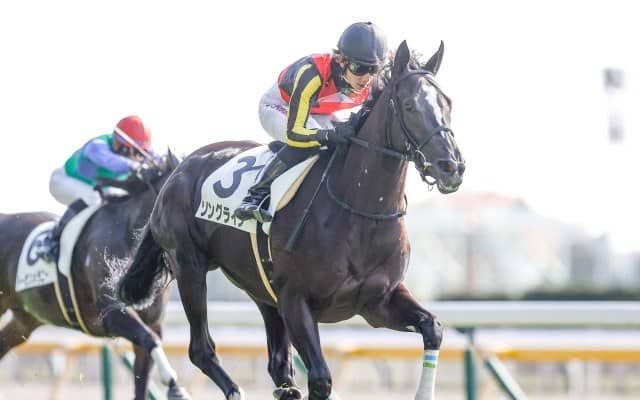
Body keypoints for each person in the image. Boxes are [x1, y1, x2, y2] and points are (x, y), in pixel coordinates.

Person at [234, 21, 388, 223]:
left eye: (373, 69)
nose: (367, 78)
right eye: (359, 68)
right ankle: (255, 195)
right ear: (341, 60)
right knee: (313, 141)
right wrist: (327, 135)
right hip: (278, 106)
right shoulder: (312, 74)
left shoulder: (372, 82)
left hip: (317, 112)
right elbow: (295, 132)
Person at [39, 115, 153, 262]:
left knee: (120, 198)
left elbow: (155, 158)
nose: (138, 158)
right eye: (135, 153)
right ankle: (52, 238)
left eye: (140, 153)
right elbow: (109, 161)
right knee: (92, 197)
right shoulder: (97, 146)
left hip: (96, 187)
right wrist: (133, 166)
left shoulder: (136, 151)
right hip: (62, 181)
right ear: (119, 143)